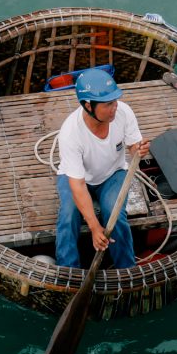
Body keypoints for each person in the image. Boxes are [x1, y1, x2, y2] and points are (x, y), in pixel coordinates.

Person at [55, 68, 150, 268]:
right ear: (88, 105)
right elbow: (78, 185)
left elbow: (133, 149)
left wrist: (138, 150)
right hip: (77, 179)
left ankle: (126, 270)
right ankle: (68, 272)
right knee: (68, 215)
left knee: (114, 214)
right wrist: (94, 227)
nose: (115, 107)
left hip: (113, 174)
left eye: (115, 101)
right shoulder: (70, 133)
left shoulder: (123, 112)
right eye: (108, 104)